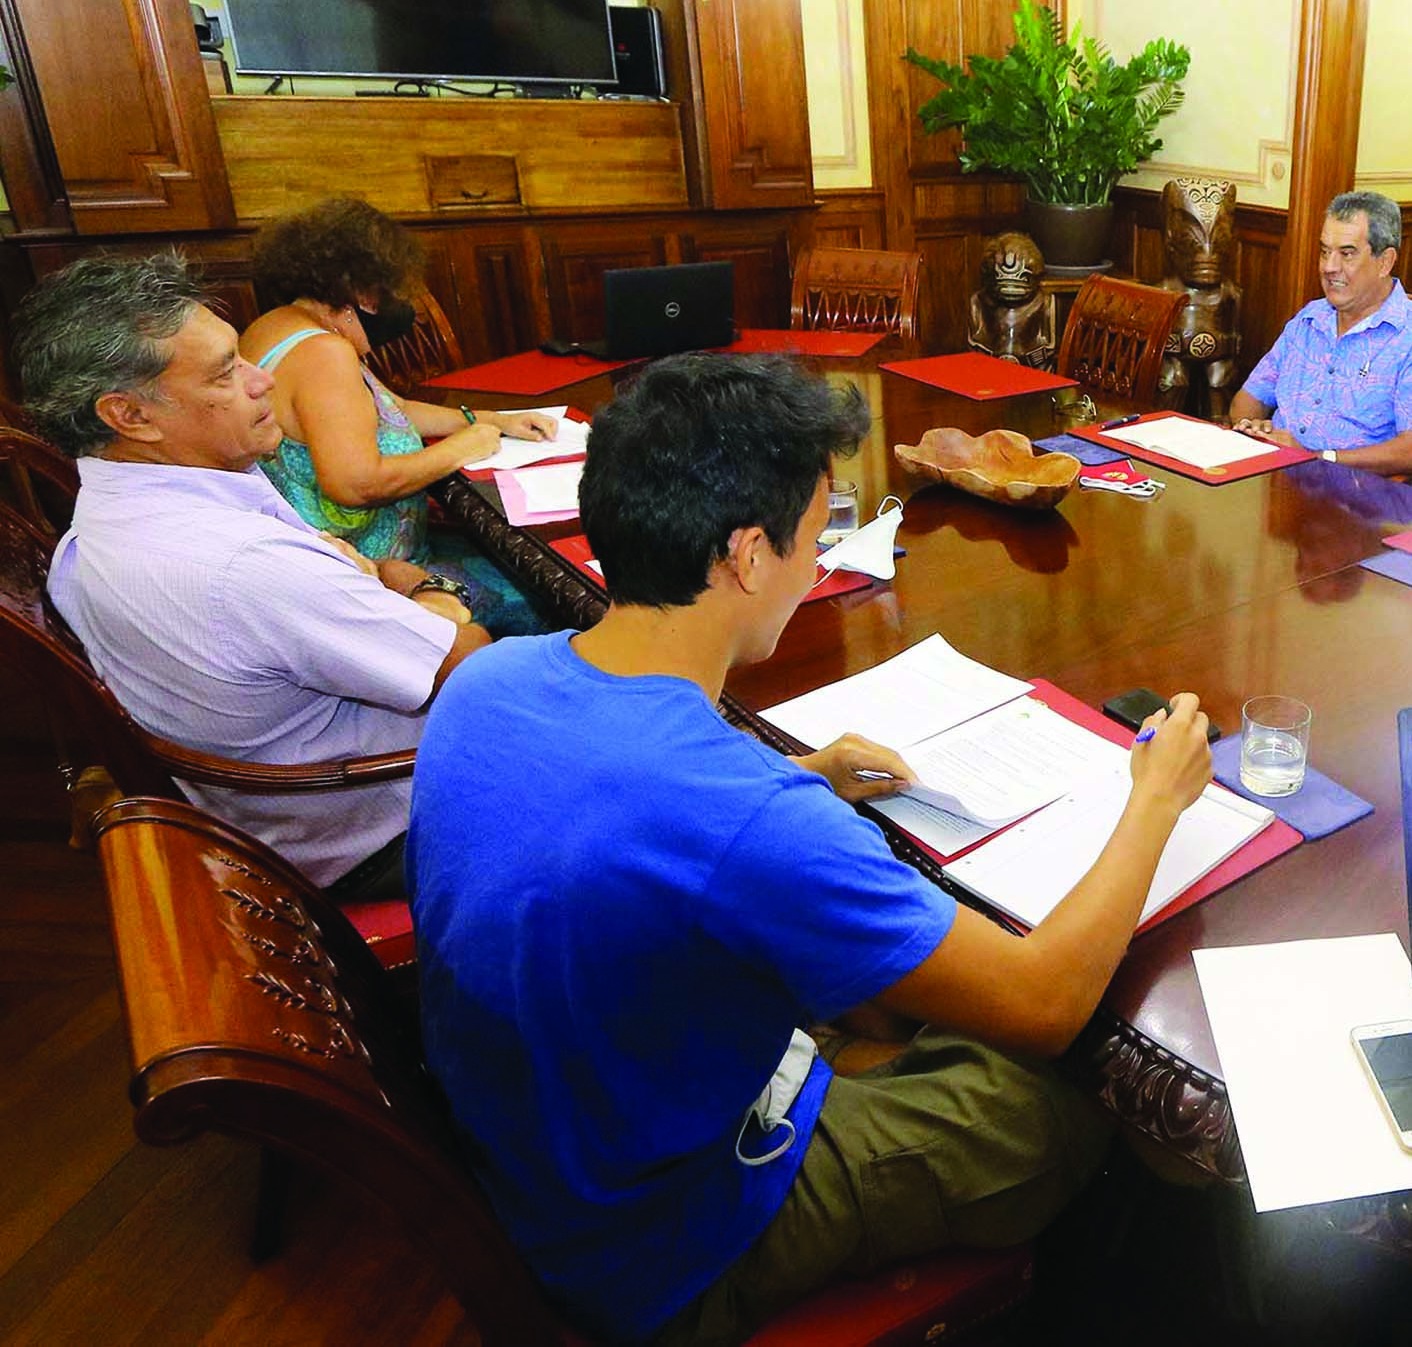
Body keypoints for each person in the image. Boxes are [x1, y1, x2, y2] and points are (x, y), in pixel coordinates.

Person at [406, 351, 1217, 1346]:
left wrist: (803, 784)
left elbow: (626, 819)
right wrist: (1156, 798)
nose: (818, 563)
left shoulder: (489, 680)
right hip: (664, 1243)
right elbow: (1046, 1001)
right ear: (748, 555)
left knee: (907, 992)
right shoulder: (743, 813)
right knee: (1063, 1100)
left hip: (540, 1148)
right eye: (815, 535)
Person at [16, 251, 489, 902]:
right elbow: (470, 665)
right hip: (383, 827)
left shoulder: (99, 520)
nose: (262, 380)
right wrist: (422, 587)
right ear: (130, 416)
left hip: (270, 813)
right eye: (223, 374)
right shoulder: (238, 563)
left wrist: (382, 581)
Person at [241, 196, 550, 634]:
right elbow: (355, 483)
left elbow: (394, 411)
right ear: (361, 289)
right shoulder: (323, 354)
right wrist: (463, 447)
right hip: (374, 586)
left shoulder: (287, 324)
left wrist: (493, 419)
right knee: (543, 592)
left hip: (362, 566)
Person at [1229, 190, 1412, 478]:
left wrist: (1316, 459)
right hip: (1272, 478)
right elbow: (1249, 397)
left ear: (1385, 261)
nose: (1329, 267)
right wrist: (1252, 427)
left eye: (1346, 254)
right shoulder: (1309, 319)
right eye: (1325, 252)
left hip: (1355, 499)